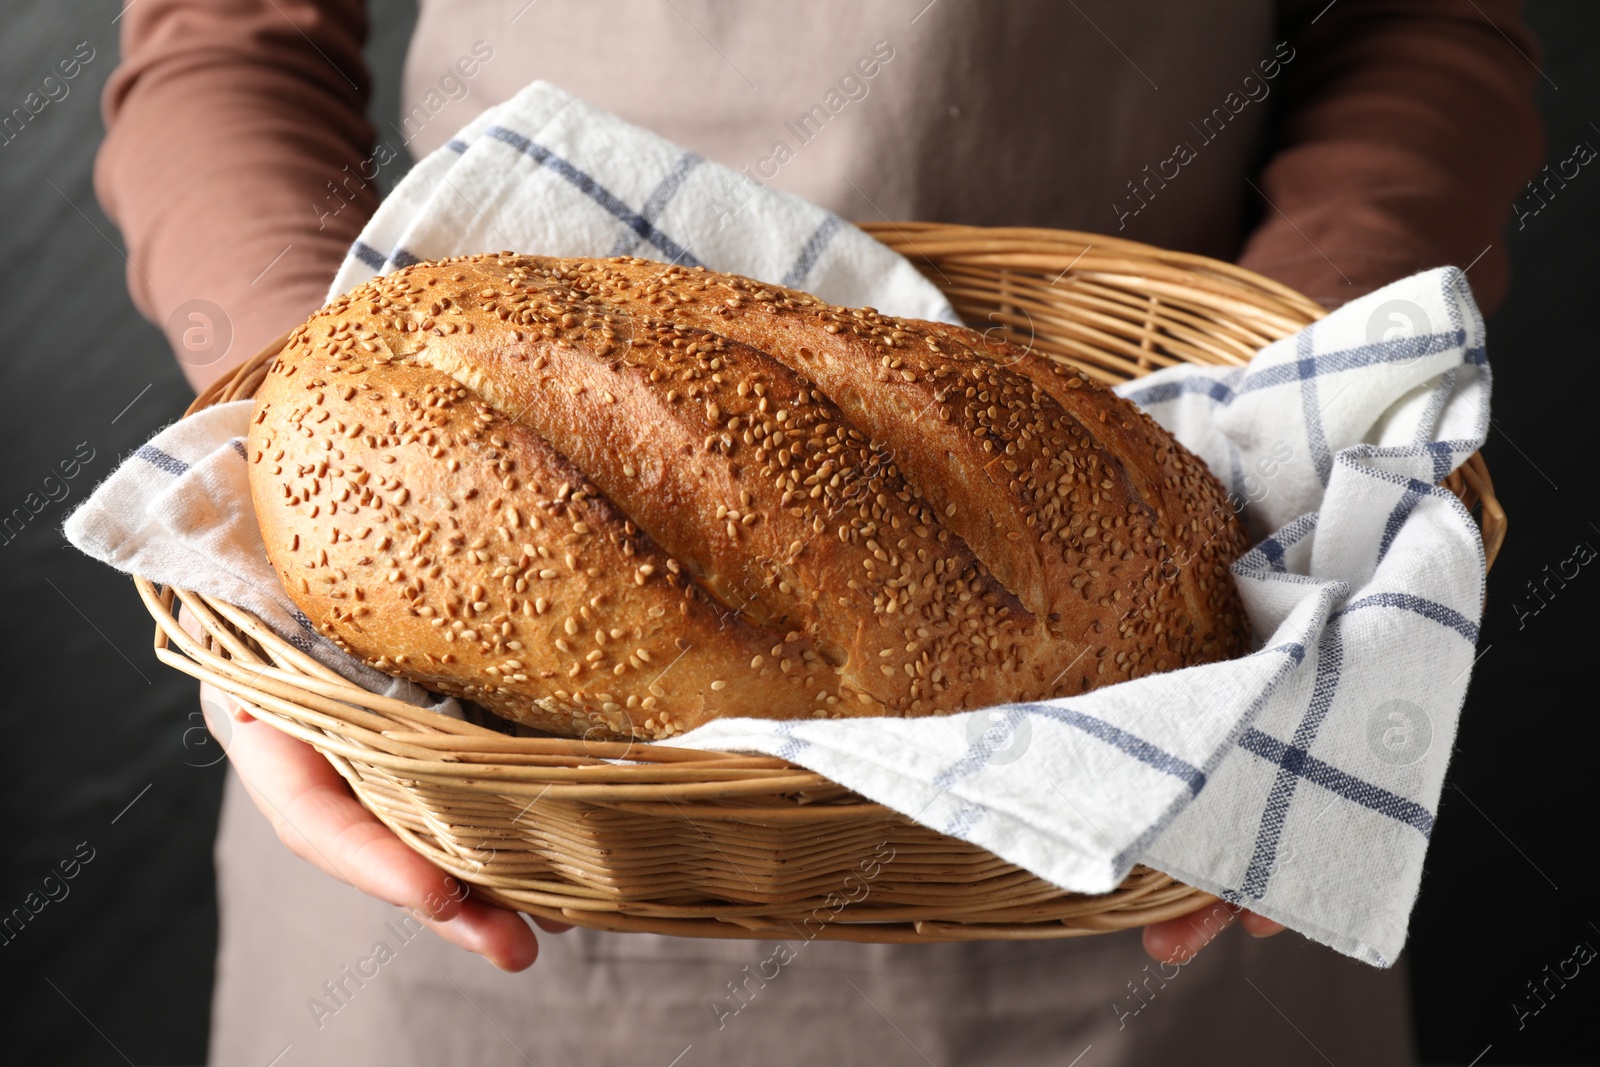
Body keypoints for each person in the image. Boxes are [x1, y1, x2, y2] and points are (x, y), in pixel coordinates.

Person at [96, 1, 1541, 1063]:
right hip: (482, 846)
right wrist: (292, 463)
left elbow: (1426, 32)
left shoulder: (1190, 574)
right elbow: (225, 40)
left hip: (1153, 844)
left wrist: (1315, 402)